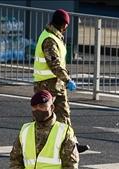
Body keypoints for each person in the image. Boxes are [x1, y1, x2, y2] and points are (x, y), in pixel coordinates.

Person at [33, 8, 90, 153]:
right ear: (62, 24)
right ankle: (38, 146)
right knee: (45, 117)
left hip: (54, 84)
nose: (66, 28)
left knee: (63, 114)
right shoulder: (49, 40)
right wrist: (67, 79)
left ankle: (71, 144)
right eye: (66, 25)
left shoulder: (54, 36)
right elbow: (54, 64)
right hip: (46, 84)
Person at [9, 90, 79, 169]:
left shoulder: (63, 131)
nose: (38, 110)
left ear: (51, 108)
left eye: (42, 106)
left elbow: (70, 166)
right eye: (35, 107)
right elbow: (15, 159)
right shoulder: (25, 129)